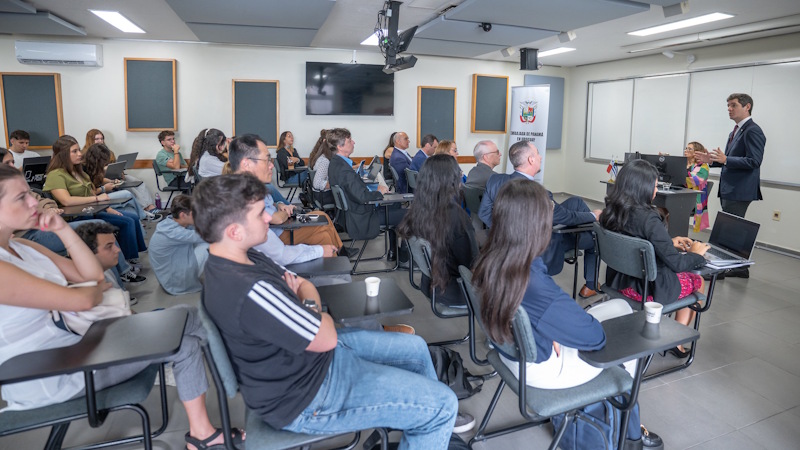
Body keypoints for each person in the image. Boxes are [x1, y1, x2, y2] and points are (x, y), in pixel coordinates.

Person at [195, 173, 456, 448]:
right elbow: (324, 331)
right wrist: (312, 306)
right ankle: (429, 419)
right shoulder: (250, 289)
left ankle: (419, 424)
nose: (268, 218)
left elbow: (303, 287)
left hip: (311, 361)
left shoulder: (244, 257)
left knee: (415, 347)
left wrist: (307, 303)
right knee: (443, 406)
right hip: (309, 396)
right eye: (260, 213)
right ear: (234, 231)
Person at [0, 164, 243, 450]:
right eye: (21, 198)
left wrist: (63, 229)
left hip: (76, 347)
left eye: (31, 193)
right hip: (50, 373)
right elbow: (85, 297)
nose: (34, 202)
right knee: (186, 323)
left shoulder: (24, 247)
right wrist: (85, 291)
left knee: (186, 334)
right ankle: (257, 362)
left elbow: (93, 276)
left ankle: (203, 433)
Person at [472, 178, 663, 449]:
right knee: (628, 345)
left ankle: (625, 425)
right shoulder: (535, 282)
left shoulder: (493, 257)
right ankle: (630, 433)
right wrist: (560, 330)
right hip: (542, 370)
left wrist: (551, 329)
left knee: (620, 307)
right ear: (536, 225)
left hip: (510, 349)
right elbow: (595, 338)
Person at [600, 159, 708, 355]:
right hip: (647, 290)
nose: (656, 192)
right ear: (643, 188)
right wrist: (696, 254)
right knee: (697, 280)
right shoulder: (648, 218)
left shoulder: (610, 212)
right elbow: (676, 264)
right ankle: (676, 343)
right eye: (655, 186)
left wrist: (667, 241)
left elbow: (637, 240)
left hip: (620, 283)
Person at [479, 141, 600, 298]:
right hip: (542, 244)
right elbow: (564, 217)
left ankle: (592, 224)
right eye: (537, 153)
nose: (541, 157)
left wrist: (504, 231)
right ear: (531, 160)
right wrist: (593, 216)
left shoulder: (495, 181)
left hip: (508, 241)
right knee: (594, 238)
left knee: (576, 201)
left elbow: (484, 213)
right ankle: (590, 285)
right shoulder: (539, 193)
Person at [226, 134, 350, 282]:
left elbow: (273, 212)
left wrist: (279, 205)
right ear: (246, 164)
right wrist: (318, 251)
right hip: (275, 267)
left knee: (322, 226)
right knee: (323, 235)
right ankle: (338, 276)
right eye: (267, 160)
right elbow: (279, 251)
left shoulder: (250, 191)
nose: (272, 165)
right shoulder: (245, 203)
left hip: (275, 258)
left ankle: (339, 265)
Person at [43, 136, 147, 263]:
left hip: (91, 211)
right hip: (77, 216)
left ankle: (130, 257)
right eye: (74, 151)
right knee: (126, 222)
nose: (80, 154)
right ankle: (125, 266)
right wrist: (97, 198)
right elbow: (66, 201)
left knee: (131, 218)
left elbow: (91, 193)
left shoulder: (80, 172)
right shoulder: (56, 175)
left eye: (79, 150)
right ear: (63, 154)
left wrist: (107, 209)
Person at [397, 154, 476, 307]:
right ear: (450, 179)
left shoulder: (418, 208)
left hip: (432, 285)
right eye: (458, 171)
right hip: (457, 291)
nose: (461, 174)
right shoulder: (456, 216)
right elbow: (470, 263)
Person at [327, 128, 406, 261]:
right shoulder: (344, 170)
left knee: (396, 204)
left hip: (352, 215)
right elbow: (362, 197)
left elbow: (356, 192)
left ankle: (394, 252)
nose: (353, 142)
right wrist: (379, 192)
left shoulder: (336, 164)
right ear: (340, 147)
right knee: (411, 215)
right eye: (349, 140)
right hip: (362, 219)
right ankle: (404, 256)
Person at [697, 93, 765, 219]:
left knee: (731, 229)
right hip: (729, 189)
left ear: (747, 106)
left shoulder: (753, 130)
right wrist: (711, 161)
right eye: (728, 106)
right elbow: (728, 159)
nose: (729, 109)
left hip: (739, 190)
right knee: (729, 227)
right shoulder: (734, 131)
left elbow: (754, 161)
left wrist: (726, 159)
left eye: (734, 105)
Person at [82, 129, 160, 216]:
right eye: (97, 139)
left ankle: (150, 207)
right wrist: (106, 175)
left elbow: (113, 165)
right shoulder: (86, 157)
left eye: (102, 138)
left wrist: (120, 172)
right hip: (103, 181)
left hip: (113, 176)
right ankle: (144, 210)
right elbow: (94, 178)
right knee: (129, 190)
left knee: (138, 183)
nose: (100, 141)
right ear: (90, 140)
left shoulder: (108, 152)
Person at [148, 195, 209, 295]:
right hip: (174, 281)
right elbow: (205, 236)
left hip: (166, 275)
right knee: (208, 244)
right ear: (183, 215)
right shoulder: (174, 232)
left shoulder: (169, 222)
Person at [684, 141, 710, 232]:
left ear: (697, 152)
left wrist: (679, 175)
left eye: (689, 149)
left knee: (673, 209)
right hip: (679, 195)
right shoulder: (682, 163)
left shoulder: (703, 167)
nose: (686, 150)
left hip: (693, 199)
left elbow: (695, 180)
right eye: (686, 148)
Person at [308, 129, 335, 207]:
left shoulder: (322, 156)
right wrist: (337, 182)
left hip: (321, 195)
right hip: (324, 196)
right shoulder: (325, 160)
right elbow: (317, 184)